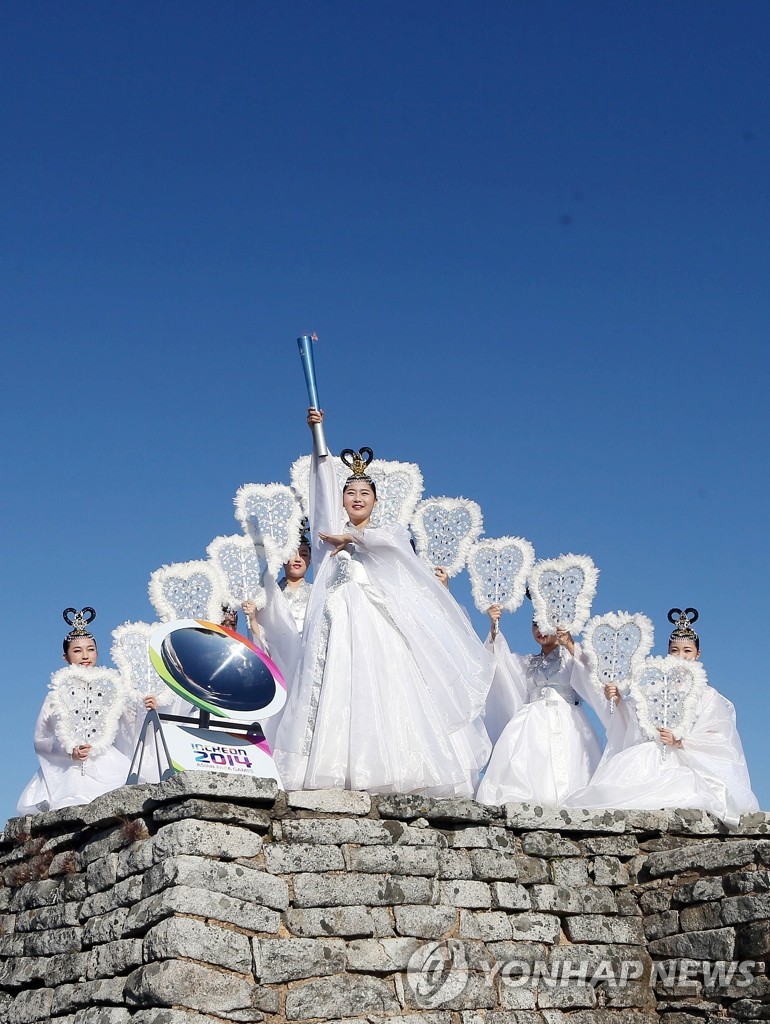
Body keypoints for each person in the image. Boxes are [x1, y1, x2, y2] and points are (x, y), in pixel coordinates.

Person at [272, 408, 493, 796]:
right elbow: (320, 484)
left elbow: (393, 549)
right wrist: (317, 433)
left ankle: (388, 767)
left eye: (364, 494)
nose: (357, 498)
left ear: (375, 501)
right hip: (336, 624)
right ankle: (333, 768)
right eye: (350, 493)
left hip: (375, 624)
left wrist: (354, 540)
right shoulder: (328, 534)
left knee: (380, 687)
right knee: (336, 687)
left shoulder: (387, 533)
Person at [566, 608, 759, 826]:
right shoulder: (652, 687)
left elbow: (719, 736)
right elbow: (633, 720)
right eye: (675, 650)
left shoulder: (708, 696)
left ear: (697, 654)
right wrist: (618, 700)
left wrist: (680, 741)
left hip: (689, 760)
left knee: (684, 791)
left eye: (687, 650)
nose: (681, 656)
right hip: (651, 755)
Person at [17, 608, 156, 815]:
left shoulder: (111, 686)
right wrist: (69, 751)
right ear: (65, 657)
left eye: (90, 649)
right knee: (72, 800)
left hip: (106, 757)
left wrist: (147, 709)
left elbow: (128, 726)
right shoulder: (58, 692)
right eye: (77, 650)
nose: (85, 656)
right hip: (71, 764)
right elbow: (42, 737)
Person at [475, 608, 604, 806]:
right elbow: (501, 664)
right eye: (535, 625)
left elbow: (592, 673)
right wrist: (494, 627)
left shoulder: (570, 658)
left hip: (567, 720)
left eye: (545, 625)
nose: (540, 630)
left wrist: (569, 644)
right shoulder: (528, 662)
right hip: (532, 722)